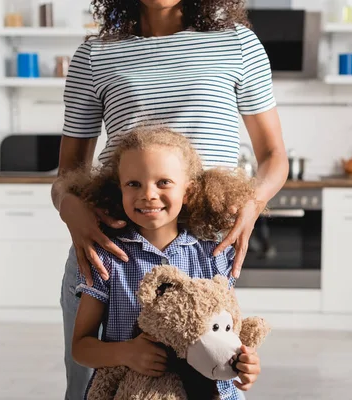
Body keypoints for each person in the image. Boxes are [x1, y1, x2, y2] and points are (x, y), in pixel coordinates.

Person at [52, 0, 288, 398]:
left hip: (200, 257)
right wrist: (68, 206)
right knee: (92, 388)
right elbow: (67, 175)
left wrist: (253, 202)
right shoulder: (95, 55)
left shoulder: (236, 44)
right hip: (110, 254)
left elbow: (273, 157)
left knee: (209, 384)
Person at [64, 126, 261, 399]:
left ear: (189, 192)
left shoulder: (213, 255)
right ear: (118, 188)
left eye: (164, 182)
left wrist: (245, 364)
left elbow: (227, 333)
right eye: (133, 184)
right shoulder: (107, 257)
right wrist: (126, 353)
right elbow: (80, 347)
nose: (148, 194)